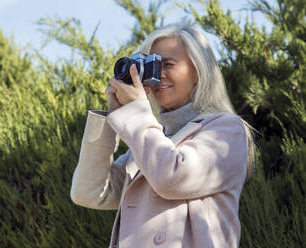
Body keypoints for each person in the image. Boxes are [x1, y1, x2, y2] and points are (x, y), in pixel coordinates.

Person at [70, 22, 255, 248]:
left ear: (198, 71)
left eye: (168, 64)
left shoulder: (226, 130)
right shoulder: (151, 138)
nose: (159, 77)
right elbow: (88, 192)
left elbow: (171, 177)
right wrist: (111, 119)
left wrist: (136, 112)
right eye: (152, 68)